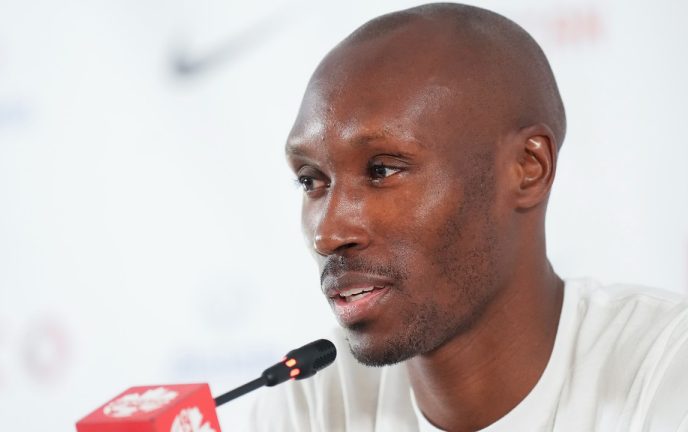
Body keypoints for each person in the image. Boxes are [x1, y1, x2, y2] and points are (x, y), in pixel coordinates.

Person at [251, 3, 688, 431]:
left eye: (382, 170)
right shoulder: (308, 403)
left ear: (527, 169)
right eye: (310, 180)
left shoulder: (667, 373)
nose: (327, 234)